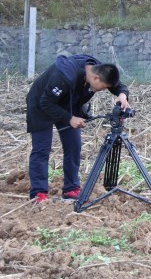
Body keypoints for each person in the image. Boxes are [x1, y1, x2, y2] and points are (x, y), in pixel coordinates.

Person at [26, 54, 129, 204]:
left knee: (74, 145)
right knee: (42, 148)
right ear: (95, 79)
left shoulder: (98, 69)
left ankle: (71, 189)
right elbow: (46, 103)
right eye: (103, 88)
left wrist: (122, 95)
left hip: (68, 104)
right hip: (41, 105)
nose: (103, 90)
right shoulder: (64, 74)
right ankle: (38, 193)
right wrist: (69, 118)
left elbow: (118, 86)